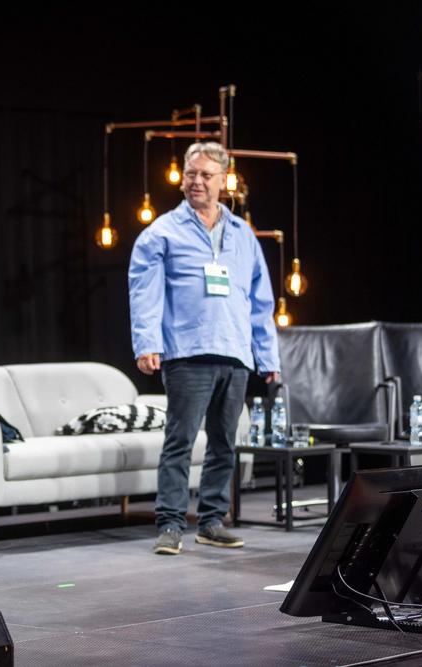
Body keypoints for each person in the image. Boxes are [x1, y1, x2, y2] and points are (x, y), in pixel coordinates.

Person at [128, 141, 279, 556]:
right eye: (190, 174)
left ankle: (212, 521)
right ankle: (171, 523)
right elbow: (144, 292)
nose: (196, 181)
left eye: (205, 175)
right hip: (186, 351)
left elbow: (260, 300)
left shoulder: (242, 234)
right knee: (179, 441)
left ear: (222, 181)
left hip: (234, 351)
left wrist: (267, 356)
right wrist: (147, 343)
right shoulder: (162, 232)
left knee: (224, 443)